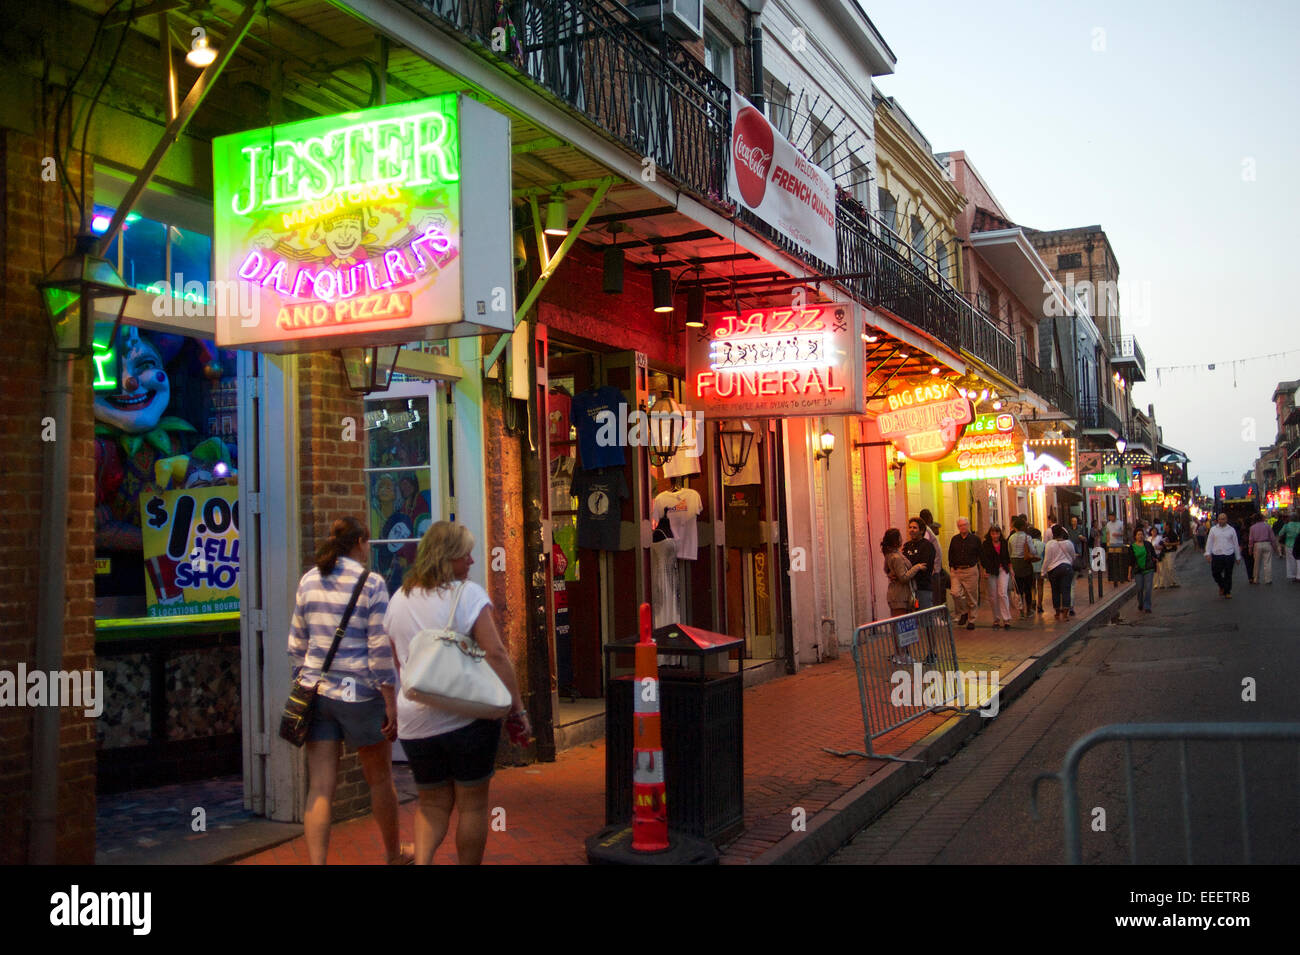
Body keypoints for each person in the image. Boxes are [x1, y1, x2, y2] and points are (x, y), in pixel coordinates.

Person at [385, 521, 529, 865]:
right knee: (473, 805)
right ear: (448, 557)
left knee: (431, 806)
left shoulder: (399, 600)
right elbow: (495, 654)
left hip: (415, 722)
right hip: (468, 717)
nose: (471, 561)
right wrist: (516, 709)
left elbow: (398, 662)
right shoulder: (467, 595)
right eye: (466, 554)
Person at [287, 516, 406, 865]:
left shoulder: (308, 580)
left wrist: (304, 682)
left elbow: (296, 644)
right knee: (380, 780)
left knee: (320, 787)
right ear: (359, 543)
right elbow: (379, 649)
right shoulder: (371, 583)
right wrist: (389, 700)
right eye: (367, 543)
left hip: (316, 692)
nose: (368, 549)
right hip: (360, 695)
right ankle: (393, 855)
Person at [882, 528, 921, 664]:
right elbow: (903, 577)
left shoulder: (892, 554)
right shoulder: (895, 557)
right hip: (899, 595)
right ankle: (901, 654)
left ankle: (903, 653)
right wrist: (916, 568)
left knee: (904, 625)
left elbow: (886, 569)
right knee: (901, 626)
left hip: (899, 593)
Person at [947, 516, 982, 631]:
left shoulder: (975, 539)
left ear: (968, 526)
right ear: (958, 527)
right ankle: (963, 612)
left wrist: (982, 569)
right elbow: (950, 553)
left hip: (970, 570)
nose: (962, 527)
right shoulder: (955, 539)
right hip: (956, 570)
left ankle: (971, 619)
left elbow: (980, 554)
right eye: (960, 525)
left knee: (971, 596)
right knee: (955, 593)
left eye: (964, 525)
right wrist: (952, 566)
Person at [980, 524, 1013, 629]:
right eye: (993, 533)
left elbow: (1008, 557)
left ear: (1000, 534)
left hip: (1003, 569)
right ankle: (996, 618)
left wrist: (1011, 569)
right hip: (991, 571)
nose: (995, 535)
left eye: (997, 533)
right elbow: (983, 558)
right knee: (993, 596)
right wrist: (985, 569)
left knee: (1002, 593)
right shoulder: (986, 544)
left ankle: (1006, 618)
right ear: (990, 534)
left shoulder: (1004, 543)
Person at [1042, 525, 1076, 621]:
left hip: (1053, 570)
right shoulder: (1069, 543)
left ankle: (1057, 613)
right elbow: (1073, 556)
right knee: (1066, 590)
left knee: (1055, 591)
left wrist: (1043, 571)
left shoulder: (1049, 544)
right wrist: (1070, 563)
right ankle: (1065, 615)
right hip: (1066, 568)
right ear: (1062, 533)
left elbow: (1047, 559)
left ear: (1053, 534)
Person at [902, 517, 937, 610]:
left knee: (924, 619)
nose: (911, 530)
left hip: (923, 588)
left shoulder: (927, 546)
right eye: (910, 527)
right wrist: (915, 567)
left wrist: (909, 570)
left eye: (914, 528)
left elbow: (924, 567)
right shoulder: (907, 546)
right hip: (908, 589)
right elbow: (902, 565)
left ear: (921, 531)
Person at [1205, 512, 1242, 598]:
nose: (1222, 521)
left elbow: (1235, 543)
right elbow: (1209, 542)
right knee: (1215, 573)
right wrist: (1208, 553)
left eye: (1223, 519)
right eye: (1220, 519)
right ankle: (1222, 585)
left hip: (1229, 554)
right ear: (1217, 520)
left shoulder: (1231, 530)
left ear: (1226, 520)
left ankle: (1227, 591)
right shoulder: (1213, 530)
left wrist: (1238, 556)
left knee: (1228, 574)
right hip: (1217, 554)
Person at [1008, 518, 1035, 619]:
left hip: (1015, 564)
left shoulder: (1011, 538)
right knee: (1027, 588)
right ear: (1023, 527)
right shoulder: (1027, 537)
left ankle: (1021, 611)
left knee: (1018, 589)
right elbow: (1032, 550)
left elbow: (1009, 552)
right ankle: (1028, 610)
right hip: (1025, 563)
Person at [1128, 526, 1158, 613]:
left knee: (1148, 588)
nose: (1140, 536)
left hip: (1149, 569)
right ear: (1135, 536)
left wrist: (1156, 560)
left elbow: (1153, 554)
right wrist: (1129, 573)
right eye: (1138, 534)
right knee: (1140, 588)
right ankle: (1140, 602)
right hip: (1138, 570)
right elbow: (1131, 561)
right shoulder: (1132, 547)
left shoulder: (1148, 544)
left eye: (1141, 534)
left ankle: (1147, 606)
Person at [1246, 510, 1282, 585]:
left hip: (1257, 545)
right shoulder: (1267, 526)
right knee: (1267, 562)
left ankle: (1256, 579)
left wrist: (1250, 548)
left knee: (1256, 563)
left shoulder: (1252, 527)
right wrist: (1275, 548)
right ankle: (1268, 579)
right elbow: (1272, 538)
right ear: (1262, 518)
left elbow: (1251, 539)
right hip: (1267, 544)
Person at [1104, 511, 1127, 589]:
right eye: (1109, 517)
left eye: (1111, 516)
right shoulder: (1108, 524)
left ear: (1115, 516)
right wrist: (1107, 543)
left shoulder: (1120, 523)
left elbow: (1124, 533)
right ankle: (1113, 578)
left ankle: (1121, 578)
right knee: (1112, 561)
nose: (1110, 518)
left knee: (1119, 561)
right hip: (1111, 544)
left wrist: (1118, 534)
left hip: (1119, 543)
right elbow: (1107, 534)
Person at [1278, 510, 1300, 582]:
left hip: (1289, 544)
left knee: (1291, 560)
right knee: (1299, 560)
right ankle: (1298, 575)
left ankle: (1293, 575)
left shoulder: (1287, 525)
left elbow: (1280, 533)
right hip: (1299, 544)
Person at [1029, 526, 1046, 615]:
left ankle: (1033, 600)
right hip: (1040, 568)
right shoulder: (1043, 544)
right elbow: (1045, 557)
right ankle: (1040, 605)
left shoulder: (1029, 543)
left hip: (1031, 568)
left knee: (1032, 586)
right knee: (1040, 586)